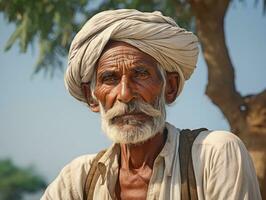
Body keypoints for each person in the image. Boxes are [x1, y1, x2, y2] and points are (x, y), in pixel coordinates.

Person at [41, 9, 261, 200]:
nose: (125, 94)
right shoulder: (77, 179)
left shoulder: (213, 155)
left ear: (170, 88)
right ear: (92, 98)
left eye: (141, 74)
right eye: (110, 78)